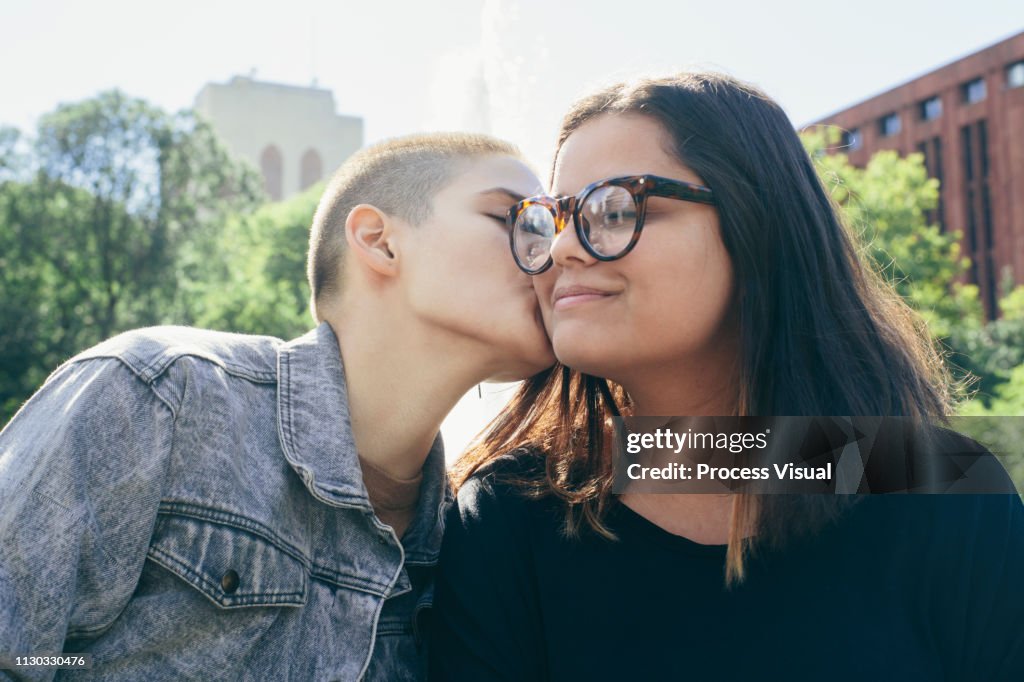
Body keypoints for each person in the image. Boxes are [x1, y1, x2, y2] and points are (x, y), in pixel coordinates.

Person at [429, 73, 1024, 680]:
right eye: (553, 218)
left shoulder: (945, 495)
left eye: (615, 209)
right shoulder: (507, 517)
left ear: (756, 225)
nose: (562, 251)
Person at [0, 132, 553, 680]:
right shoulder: (160, 395)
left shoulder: (476, 539)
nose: (554, 255)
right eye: (518, 220)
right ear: (379, 241)